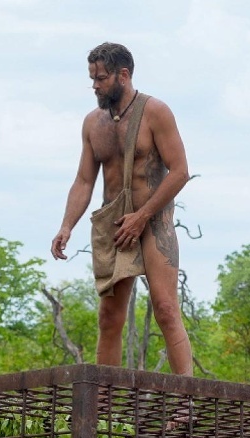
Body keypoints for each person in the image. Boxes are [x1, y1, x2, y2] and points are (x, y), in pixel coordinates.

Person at [51, 41, 194, 375]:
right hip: (115, 226)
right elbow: (84, 180)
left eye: (101, 78)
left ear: (123, 75)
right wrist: (66, 226)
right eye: (92, 78)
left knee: (165, 309)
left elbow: (180, 171)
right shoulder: (92, 123)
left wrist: (142, 216)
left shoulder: (155, 112)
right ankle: (105, 401)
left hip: (153, 221)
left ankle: (185, 399)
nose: (95, 86)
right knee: (109, 317)